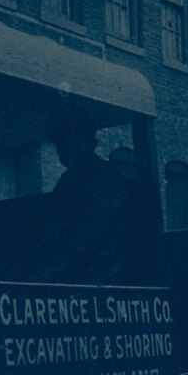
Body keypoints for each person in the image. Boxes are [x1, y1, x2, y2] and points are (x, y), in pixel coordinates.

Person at [42, 116, 128, 283]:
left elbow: (92, 228)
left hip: (98, 272)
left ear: (86, 142)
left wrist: (55, 264)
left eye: (67, 139)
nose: (60, 148)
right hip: (75, 264)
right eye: (59, 141)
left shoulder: (103, 176)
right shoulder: (69, 179)